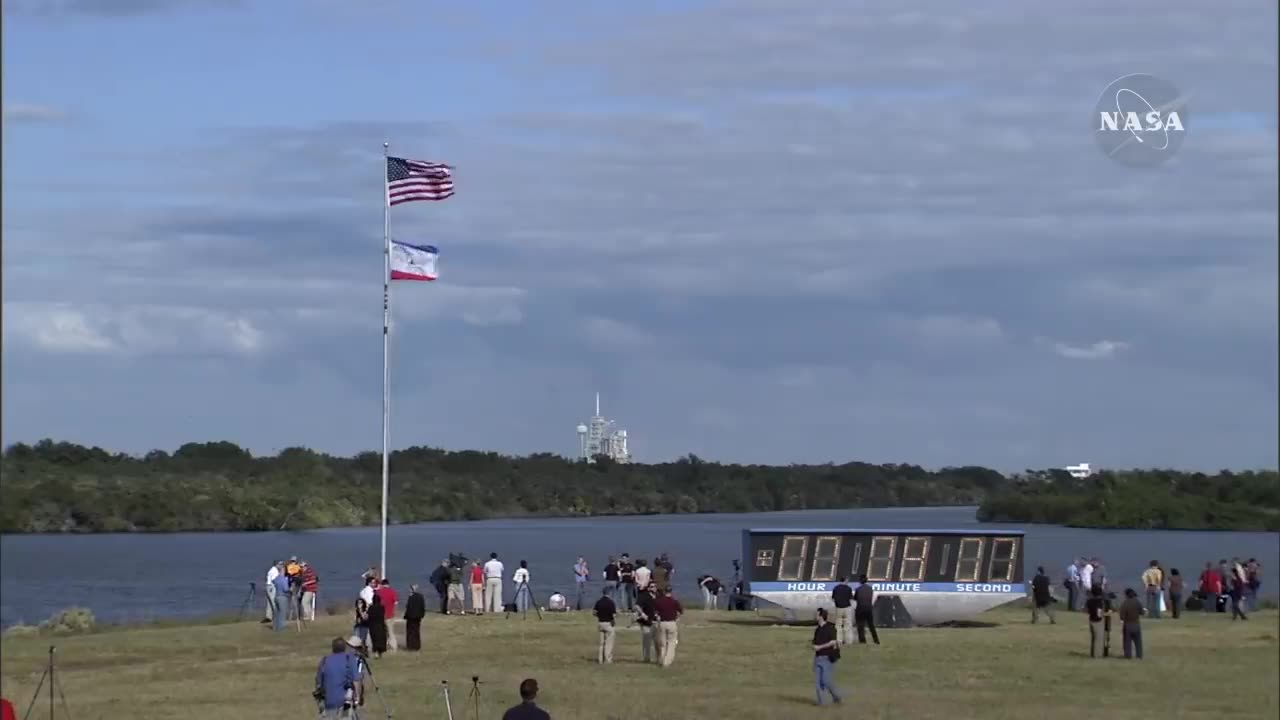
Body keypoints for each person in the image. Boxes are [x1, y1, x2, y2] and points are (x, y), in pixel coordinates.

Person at [315, 637, 358, 719]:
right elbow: (356, 680)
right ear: (344, 648)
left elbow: (318, 683)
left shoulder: (324, 660)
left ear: (333, 648)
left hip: (328, 702)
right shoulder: (349, 659)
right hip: (345, 702)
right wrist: (357, 697)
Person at [812, 608, 843, 706]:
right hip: (818, 658)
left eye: (816, 614)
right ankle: (822, 703)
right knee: (818, 683)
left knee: (826, 681)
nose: (815, 616)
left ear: (821, 616)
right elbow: (815, 643)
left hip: (827, 658)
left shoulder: (830, 628)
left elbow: (833, 642)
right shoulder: (817, 630)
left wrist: (819, 647)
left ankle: (836, 697)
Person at [653, 586, 683, 667]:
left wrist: (658, 616)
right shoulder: (674, 601)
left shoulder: (659, 601)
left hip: (662, 623)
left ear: (664, 591)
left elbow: (655, 612)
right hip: (671, 622)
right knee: (671, 642)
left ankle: (661, 659)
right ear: (671, 592)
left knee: (662, 643)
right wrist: (677, 617)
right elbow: (680, 611)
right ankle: (666, 661)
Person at [1118, 588, 1145, 659]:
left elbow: (1122, 617)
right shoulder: (1137, 602)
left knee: (1127, 642)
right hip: (1136, 624)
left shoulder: (1125, 604)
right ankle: (1139, 655)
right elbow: (1142, 612)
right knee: (1138, 642)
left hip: (1128, 625)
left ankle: (1128, 655)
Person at [635, 582, 658, 663]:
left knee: (658, 641)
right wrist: (642, 614)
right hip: (646, 622)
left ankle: (659, 658)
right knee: (647, 641)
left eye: (655, 586)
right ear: (648, 588)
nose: (653, 588)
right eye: (651, 587)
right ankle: (646, 658)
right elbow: (637, 605)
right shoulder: (644, 596)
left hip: (656, 622)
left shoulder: (659, 596)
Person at [1084, 585, 1109, 658]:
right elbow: (1099, 613)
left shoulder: (1089, 601)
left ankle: (1093, 653)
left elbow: (1086, 610)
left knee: (1093, 638)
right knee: (1099, 639)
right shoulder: (1100, 602)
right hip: (1098, 621)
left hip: (1091, 620)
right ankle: (1097, 655)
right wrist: (1106, 614)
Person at [854, 574, 879, 645]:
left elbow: (855, 598)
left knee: (860, 625)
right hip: (869, 608)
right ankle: (876, 640)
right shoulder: (870, 589)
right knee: (871, 625)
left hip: (860, 608)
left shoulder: (858, 589)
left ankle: (862, 640)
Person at [593, 587, 617, 664]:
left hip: (600, 623)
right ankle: (608, 659)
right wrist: (613, 622)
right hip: (608, 623)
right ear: (609, 593)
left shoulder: (598, 602)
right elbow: (613, 615)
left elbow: (594, 613)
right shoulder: (611, 602)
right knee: (609, 642)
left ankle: (600, 659)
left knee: (601, 643)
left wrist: (600, 616)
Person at [376, 579, 399, 651]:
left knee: (381, 632)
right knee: (390, 631)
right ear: (388, 584)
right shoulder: (393, 592)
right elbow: (396, 603)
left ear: (382, 584)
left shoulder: (378, 592)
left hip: (380, 615)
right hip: (390, 615)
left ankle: (383, 645)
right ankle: (393, 646)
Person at [830, 577, 854, 645]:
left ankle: (839, 640)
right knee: (848, 625)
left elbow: (833, 599)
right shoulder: (848, 588)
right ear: (845, 580)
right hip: (847, 608)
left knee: (838, 625)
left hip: (838, 608)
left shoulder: (836, 588)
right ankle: (848, 641)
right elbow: (851, 598)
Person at [404, 584, 426, 651]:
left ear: (411, 589)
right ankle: (417, 646)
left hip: (411, 617)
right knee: (416, 631)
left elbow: (409, 607)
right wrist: (422, 615)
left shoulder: (411, 597)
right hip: (418, 617)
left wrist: (406, 616)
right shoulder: (421, 596)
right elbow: (423, 607)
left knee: (410, 632)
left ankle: (411, 646)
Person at [367, 592, 388, 657]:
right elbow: (383, 615)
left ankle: (375, 652)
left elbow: (369, 616)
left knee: (374, 639)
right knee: (381, 639)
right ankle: (380, 652)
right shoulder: (382, 607)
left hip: (373, 625)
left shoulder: (371, 608)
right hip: (380, 625)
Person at [271, 564, 291, 632]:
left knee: (277, 613)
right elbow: (285, 589)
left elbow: (273, 581)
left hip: (276, 596)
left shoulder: (276, 579)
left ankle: (275, 627)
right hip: (282, 597)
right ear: (283, 571)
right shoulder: (284, 579)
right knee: (282, 613)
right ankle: (280, 628)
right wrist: (290, 589)